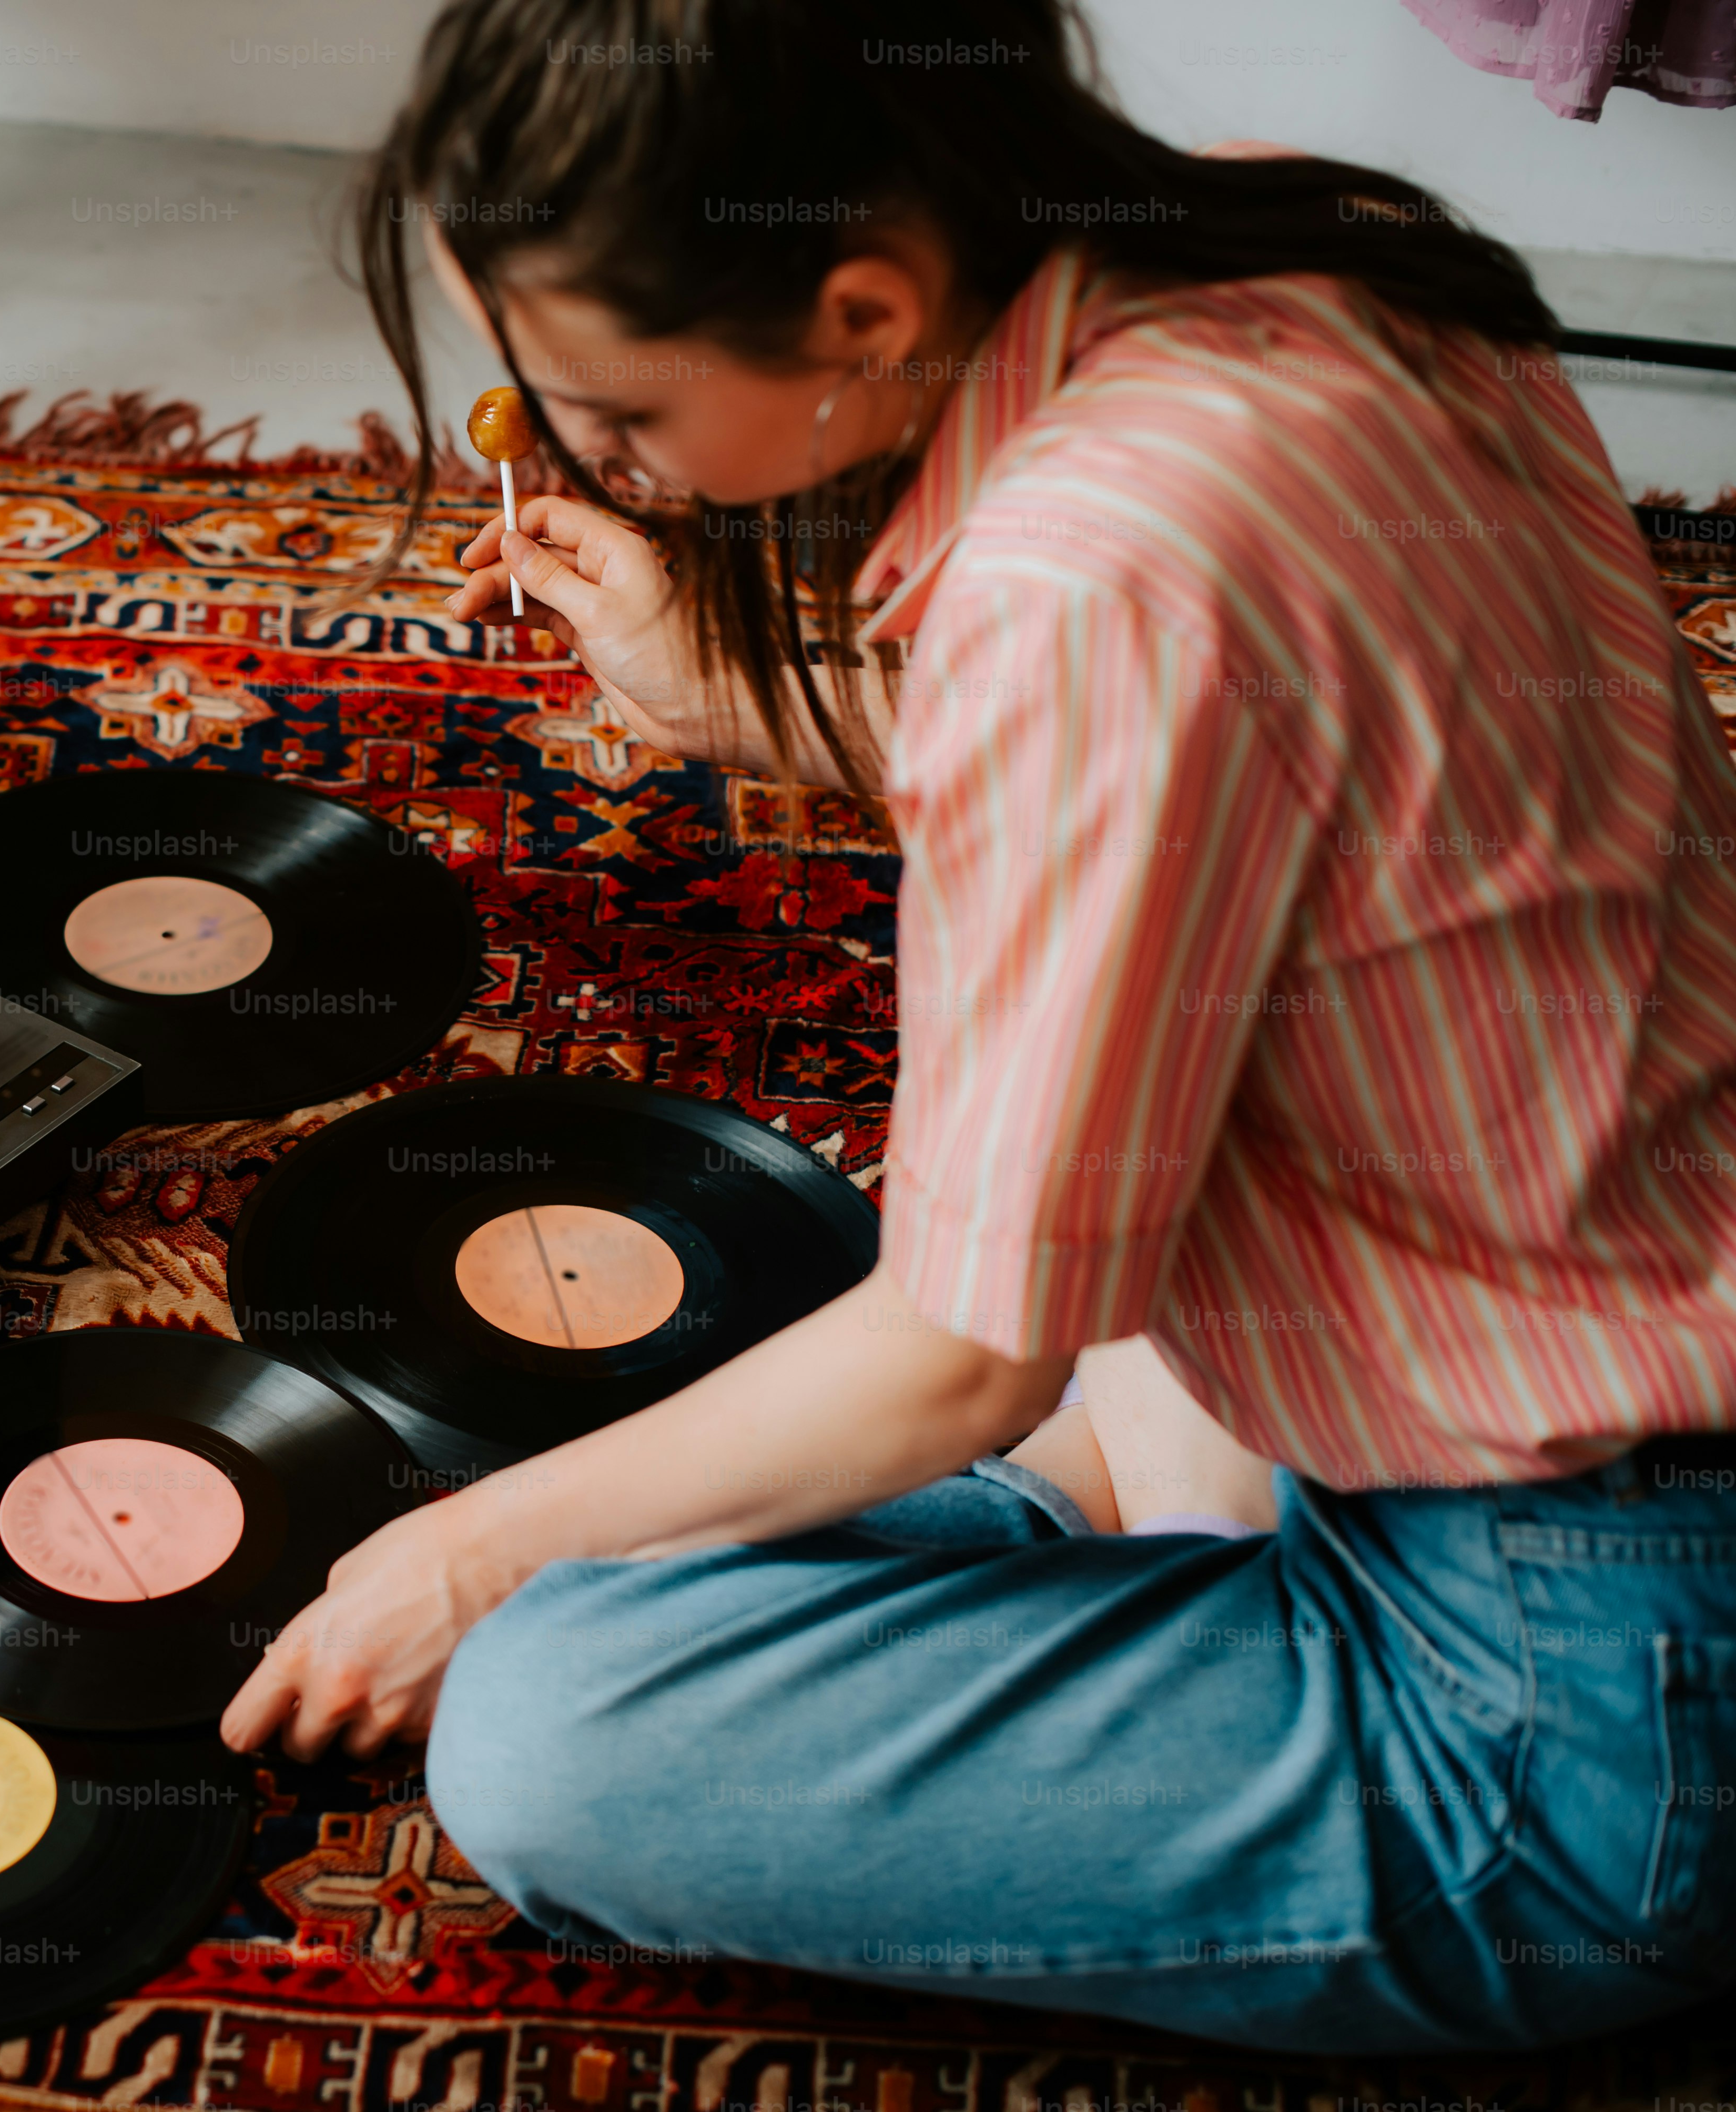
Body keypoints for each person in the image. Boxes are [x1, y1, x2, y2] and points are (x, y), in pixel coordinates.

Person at [219, 0, 1736, 2054]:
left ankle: (1161, 1564)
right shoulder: (1322, 250)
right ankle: (1141, 1531)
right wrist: (743, 692)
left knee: (545, 1721)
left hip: (1576, 1711)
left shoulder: (1077, 580)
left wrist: (464, 1554)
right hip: (1588, 1394)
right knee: (657, 1521)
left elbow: (958, 1348)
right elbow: (1235, 759)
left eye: (619, 417)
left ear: (860, 310)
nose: (584, 462)